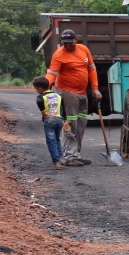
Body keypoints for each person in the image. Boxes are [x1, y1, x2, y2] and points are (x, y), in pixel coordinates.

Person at [44, 28, 98, 165]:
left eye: (70, 42)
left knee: (81, 125)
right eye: (65, 43)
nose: (67, 45)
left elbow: (91, 69)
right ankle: (69, 156)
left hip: (82, 93)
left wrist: (95, 88)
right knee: (71, 124)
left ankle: (76, 154)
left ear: (76, 40)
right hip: (67, 93)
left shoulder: (84, 49)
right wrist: (45, 88)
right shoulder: (59, 55)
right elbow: (51, 74)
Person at [33, 77, 65, 169]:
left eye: (36, 89)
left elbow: (39, 101)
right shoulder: (58, 96)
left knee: (51, 141)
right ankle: (61, 158)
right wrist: (65, 119)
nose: (36, 91)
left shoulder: (41, 97)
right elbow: (63, 108)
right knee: (57, 139)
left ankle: (56, 161)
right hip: (59, 120)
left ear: (40, 88)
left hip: (49, 121)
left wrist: (43, 113)